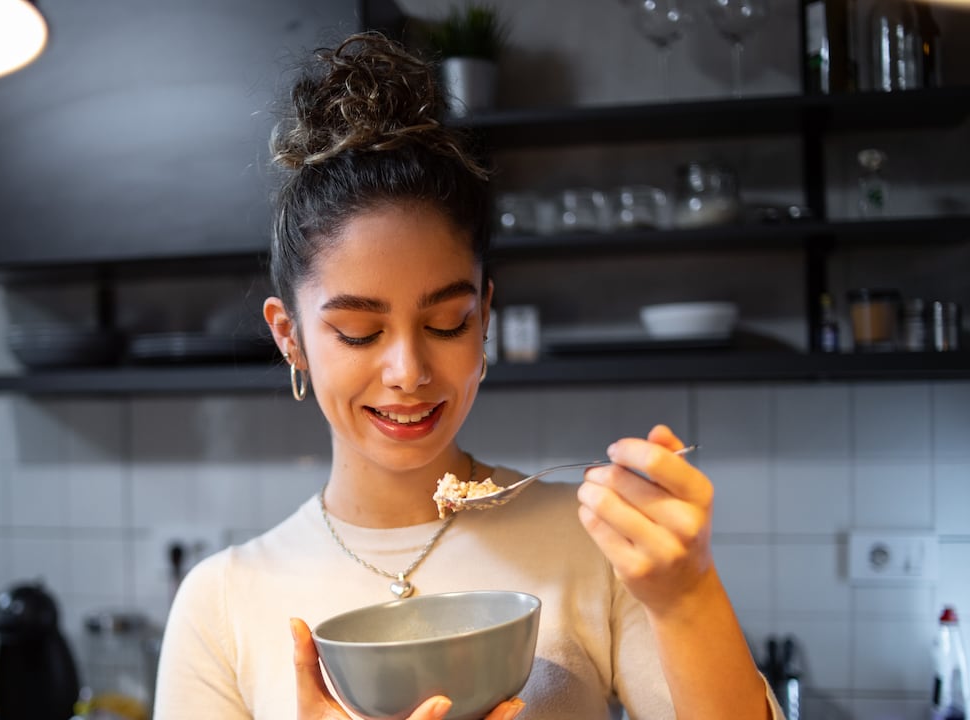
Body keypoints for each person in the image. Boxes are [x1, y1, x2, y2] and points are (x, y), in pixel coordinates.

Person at [154, 31, 785, 720]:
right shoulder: (222, 602)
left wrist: (687, 595)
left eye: (446, 323)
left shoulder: (596, 548)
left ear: (484, 316)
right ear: (291, 337)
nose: (407, 372)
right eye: (359, 332)